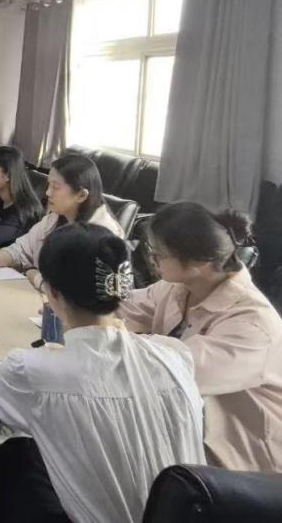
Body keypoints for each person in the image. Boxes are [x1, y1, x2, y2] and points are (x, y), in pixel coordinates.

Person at [0, 224, 205, 523]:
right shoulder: (173, 355)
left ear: (51, 292)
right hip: (192, 512)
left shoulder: (38, 370)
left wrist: (33, 361)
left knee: (15, 454)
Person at [118, 203, 282, 473]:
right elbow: (125, 306)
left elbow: (173, 370)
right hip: (190, 432)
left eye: (159, 254)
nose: (151, 259)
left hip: (244, 463)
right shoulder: (179, 288)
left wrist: (108, 334)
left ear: (201, 262)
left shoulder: (253, 325)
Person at [0, 153, 124, 345]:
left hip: (82, 332)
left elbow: (75, 290)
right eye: (48, 185)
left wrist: (34, 276)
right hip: (43, 307)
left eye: (55, 187)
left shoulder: (103, 235)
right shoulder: (55, 218)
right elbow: (22, 249)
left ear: (81, 195)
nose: (47, 193)